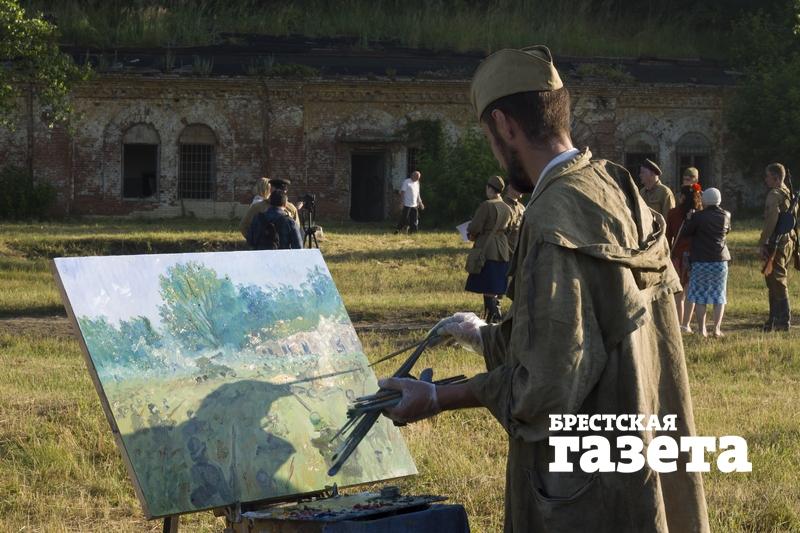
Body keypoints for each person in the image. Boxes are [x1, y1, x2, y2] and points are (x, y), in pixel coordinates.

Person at [378, 45, 709, 532]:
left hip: (583, 483)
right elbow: (586, 323)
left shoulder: (552, 216)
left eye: (489, 137)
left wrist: (435, 398)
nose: (494, 149)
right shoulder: (614, 186)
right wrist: (484, 336)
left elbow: (546, 388)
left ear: (504, 125)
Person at [680, 188, 731, 337]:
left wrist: (689, 218)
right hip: (720, 260)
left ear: (705, 200)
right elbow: (727, 231)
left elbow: (686, 233)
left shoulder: (698, 216)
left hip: (701, 260)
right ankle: (716, 329)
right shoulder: (726, 215)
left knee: (699, 296)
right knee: (719, 296)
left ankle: (702, 329)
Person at [465, 175, 513, 322]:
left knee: (488, 288)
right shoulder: (507, 208)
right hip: (502, 251)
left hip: (487, 250)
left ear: (489, 188)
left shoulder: (487, 205)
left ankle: (493, 319)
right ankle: (495, 318)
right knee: (495, 288)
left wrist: (471, 233)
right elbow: (510, 229)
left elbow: (475, 227)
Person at [760, 162, 795, 331]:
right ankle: (773, 319)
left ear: (775, 177)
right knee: (773, 279)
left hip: (776, 242)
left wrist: (763, 242)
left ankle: (783, 320)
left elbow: (771, 220)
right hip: (788, 241)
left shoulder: (774, 194)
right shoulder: (788, 193)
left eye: (767, 176)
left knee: (777, 280)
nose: (765, 179)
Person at [667, 183, 703, 330]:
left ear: (682, 197)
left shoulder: (672, 213)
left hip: (677, 256)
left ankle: (678, 324)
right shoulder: (700, 214)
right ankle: (686, 324)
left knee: (678, 293)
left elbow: (668, 236)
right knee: (690, 292)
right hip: (694, 255)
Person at [501, 181, 525, 254]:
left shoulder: (522, 207)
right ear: (511, 187)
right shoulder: (501, 205)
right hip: (502, 252)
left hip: (517, 252)